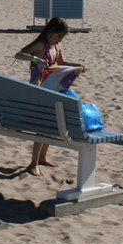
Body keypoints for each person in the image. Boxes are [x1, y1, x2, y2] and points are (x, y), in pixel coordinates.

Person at [15, 17, 85, 175]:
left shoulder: (56, 45)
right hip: (39, 87)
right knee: (42, 125)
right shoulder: (41, 44)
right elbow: (19, 55)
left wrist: (77, 66)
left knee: (52, 123)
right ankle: (33, 163)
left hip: (53, 86)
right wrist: (34, 58)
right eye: (59, 36)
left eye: (62, 37)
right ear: (50, 32)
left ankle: (42, 158)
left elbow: (61, 62)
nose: (60, 40)